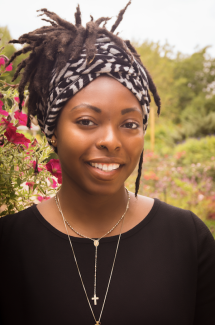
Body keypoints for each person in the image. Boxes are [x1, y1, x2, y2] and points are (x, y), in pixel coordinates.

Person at [0, 2, 215, 325]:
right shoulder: (9, 245)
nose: (111, 141)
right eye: (87, 121)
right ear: (53, 131)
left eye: (129, 124)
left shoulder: (188, 238)